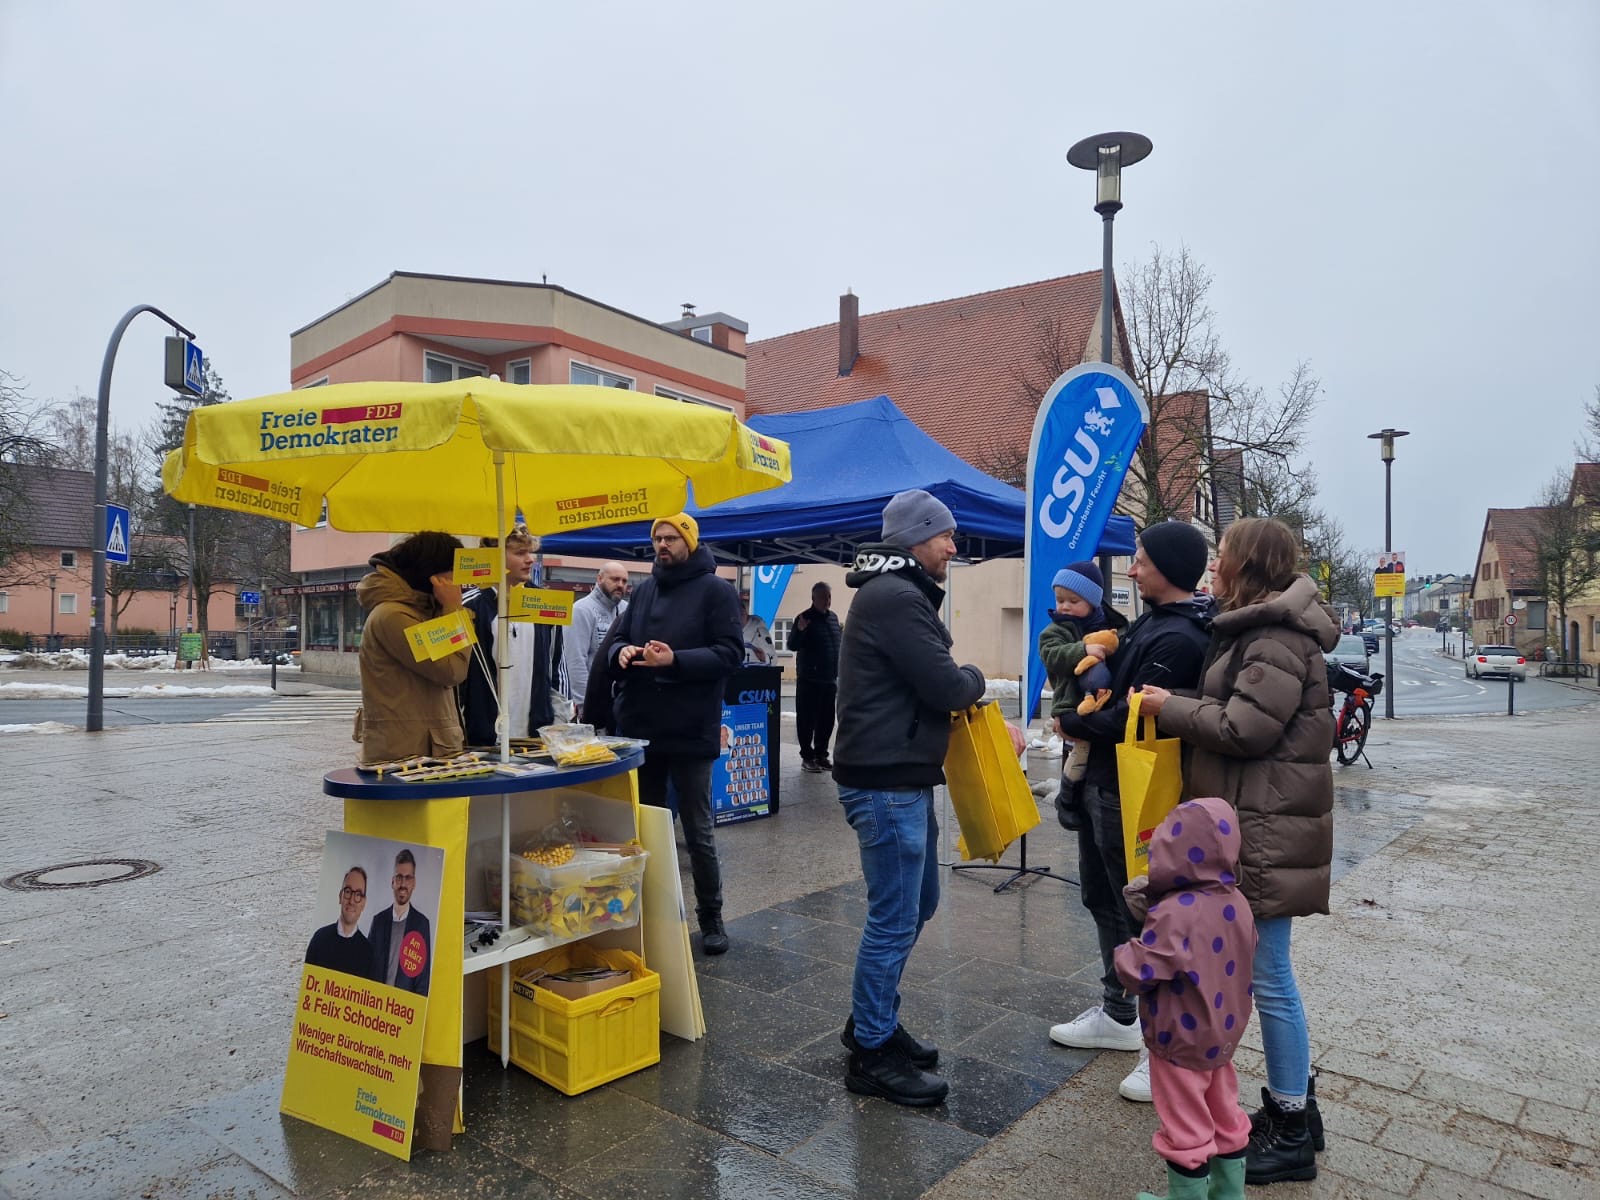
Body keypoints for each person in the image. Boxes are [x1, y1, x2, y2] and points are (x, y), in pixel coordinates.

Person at [1136, 516, 1339, 1186]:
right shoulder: (1260, 630)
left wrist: (1168, 708)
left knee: (1269, 976)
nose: (1212, 565)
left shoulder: (1275, 636)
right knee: (1268, 973)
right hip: (1260, 819)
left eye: (1221, 554)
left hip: (1265, 828)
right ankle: (1296, 1108)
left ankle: (1290, 1126)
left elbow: (1245, 727)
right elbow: (1235, 708)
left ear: (1247, 565)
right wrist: (1179, 701)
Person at [833, 489, 1025, 1107]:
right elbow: (946, 685)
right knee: (894, 917)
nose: (953, 546)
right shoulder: (895, 597)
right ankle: (871, 1052)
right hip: (884, 782)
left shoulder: (898, 593)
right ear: (917, 537)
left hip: (902, 775)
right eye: (946, 535)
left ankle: (874, 1017)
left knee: (920, 903)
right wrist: (976, 676)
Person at [1048, 521, 1214, 1105]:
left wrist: (1072, 722)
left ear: (1167, 568)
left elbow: (1128, 715)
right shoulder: (1148, 622)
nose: (1133, 569)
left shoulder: (1180, 637)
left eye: (1141, 560)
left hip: (1133, 792)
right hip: (1104, 784)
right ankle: (1119, 1014)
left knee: (1145, 915)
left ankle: (1160, 1045)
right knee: (1102, 900)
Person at [607, 513, 743, 956]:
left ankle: (711, 917)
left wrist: (675, 660)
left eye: (671, 538)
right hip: (643, 728)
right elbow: (616, 641)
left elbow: (730, 654)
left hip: (691, 728)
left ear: (690, 542)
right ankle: (650, 915)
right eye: (657, 538)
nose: (662, 545)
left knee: (698, 830)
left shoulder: (716, 590)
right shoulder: (644, 589)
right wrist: (622, 651)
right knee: (647, 827)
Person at [1115, 798, 1256, 1200]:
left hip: (1178, 1037)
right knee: (1225, 1113)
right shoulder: (1237, 901)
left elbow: (1143, 968)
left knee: (1185, 1127)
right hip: (1222, 1034)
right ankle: (1228, 1195)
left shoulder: (1176, 912)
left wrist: (1125, 951)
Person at [354, 531, 472, 765]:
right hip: (407, 753)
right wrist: (454, 610)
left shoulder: (422, 609)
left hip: (427, 749)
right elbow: (452, 671)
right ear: (434, 574)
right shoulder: (395, 615)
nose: (461, 580)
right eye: (455, 571)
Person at [458, 527, 568, 745]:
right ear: (496, 557)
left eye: (531, 552)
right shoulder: (469, 606)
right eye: (520, 553)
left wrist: (559, 719)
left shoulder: (545, 603)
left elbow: (557, 666)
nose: (530, 559)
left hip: (536, 735)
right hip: (484, 736)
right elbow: (458, 678)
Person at [1038, 560, 1128, 785]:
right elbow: (1051, 655)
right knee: (1079, 755)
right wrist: (1082, 650)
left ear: (1092, 602)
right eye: (1060, 600)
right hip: (1070, 703)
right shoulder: (1055, 630)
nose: (1065, 607)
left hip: (1103, 699)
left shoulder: (1107, 627)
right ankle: (1069, 789)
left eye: (1073, 601)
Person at [790, 580, 843, 773]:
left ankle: (821, 755)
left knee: (826, 721)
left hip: (829, 678)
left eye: (828, 597)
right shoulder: (804, 618)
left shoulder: (833, 618)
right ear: (813, 598)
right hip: (809, 679)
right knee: (806, 720)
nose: (827, 601)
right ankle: (807, 757)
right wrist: (800, 631)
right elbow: (792, 645)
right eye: (822, 597)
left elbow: (837, 645)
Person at [566, 561, 629, 716]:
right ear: (599, 578)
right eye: (615, 579)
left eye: (624, 581)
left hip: (621, 702)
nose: (620, 585)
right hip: (594, 701)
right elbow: (576, 660)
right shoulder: (581, 610)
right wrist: (584, 705)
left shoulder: (627, 609)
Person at [368, 848, 432, 995]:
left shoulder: (422, 924)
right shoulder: (378, 922)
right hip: (376, 1001)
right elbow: (368, 968)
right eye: (399, 877)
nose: (403, 884)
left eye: (408, 878)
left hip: (403, 1006)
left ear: (414, 883)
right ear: (392, 882)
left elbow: (422, 981)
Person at [305, 866, 373, 978]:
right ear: (340, 896)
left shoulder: (369, 953)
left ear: (363, 903)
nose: (351, 900)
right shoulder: (319, 939)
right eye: (348, 891)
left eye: (358, 894)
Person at [738, 590, 775, 665]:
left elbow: (773, 658)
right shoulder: (727, 627)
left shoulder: (758, 627)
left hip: (753, 670)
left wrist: (764, 658)